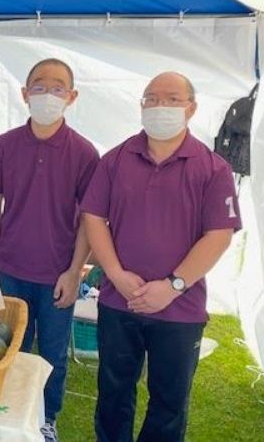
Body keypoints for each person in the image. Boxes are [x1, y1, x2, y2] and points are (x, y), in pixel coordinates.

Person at [81, 72, 242, 442]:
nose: (159, 106)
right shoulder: (116, 159)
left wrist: (173, 286)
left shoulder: (213, 168)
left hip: (180, 309)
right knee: (113, 393)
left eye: (171, 99)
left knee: (169, 403)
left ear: (191, 108)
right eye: (151, 99)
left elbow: (219, 234)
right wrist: (115, 274)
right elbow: (93, 217)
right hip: (119, 302)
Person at [0, 58, 99, 442]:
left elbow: (89, 219)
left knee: (52, 355)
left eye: (58, 87)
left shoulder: (84, 153)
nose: (49, 94)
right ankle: (7, 414)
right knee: (7, 347)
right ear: (25, 94)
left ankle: (47, 417)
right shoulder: (5, 145)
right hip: (11, 268)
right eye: (40, 86)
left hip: (57, 275)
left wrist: (75, 270)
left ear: (72, 96)